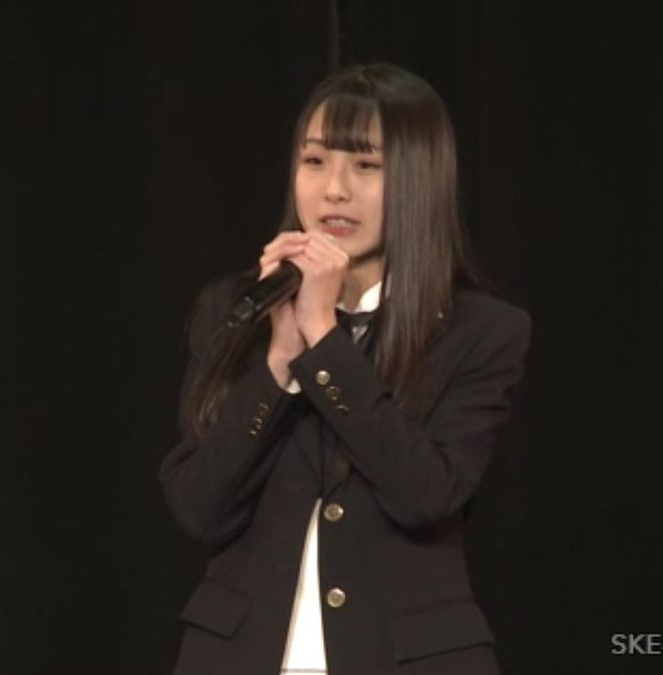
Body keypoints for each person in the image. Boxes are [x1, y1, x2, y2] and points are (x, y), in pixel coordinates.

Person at [159, 63, 531, 675]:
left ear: (419, 177)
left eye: (365, 166)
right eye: (314, 161)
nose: (334, 190)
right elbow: (200, 508)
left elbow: (426, 493)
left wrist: (325, 343)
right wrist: (280, 361)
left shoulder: (481, 331)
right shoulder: (233, 309)